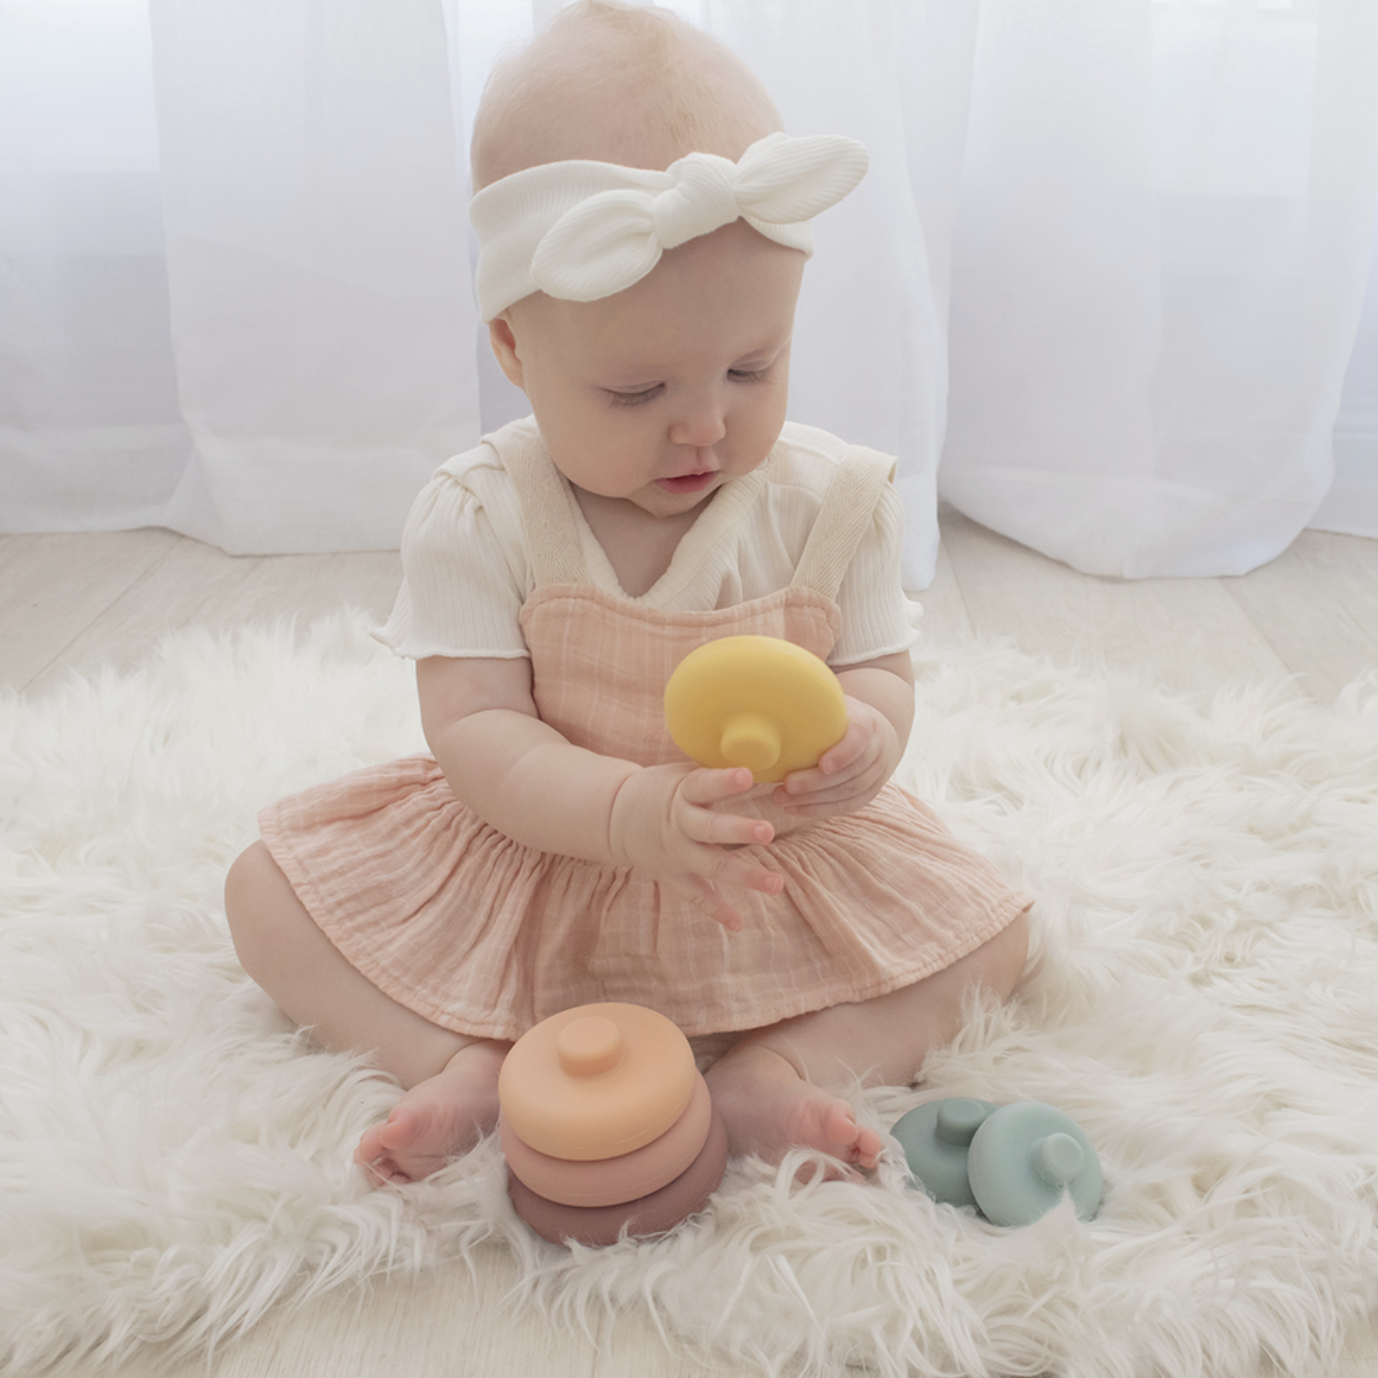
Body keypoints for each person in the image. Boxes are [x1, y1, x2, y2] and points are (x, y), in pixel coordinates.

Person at [224, 0, 1031, 1187]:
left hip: (765, 855)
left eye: (752, 366)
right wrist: (623, 815)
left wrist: (867, 739)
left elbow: (876, 676)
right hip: (543, 844)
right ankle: (460, 1055)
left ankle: (781, 1064)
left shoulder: (834, 503)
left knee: (998, 930)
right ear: (513, 348)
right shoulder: (481, 513)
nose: (705, 422)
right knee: (264, 896)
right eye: (637, 387)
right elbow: (475, 731)